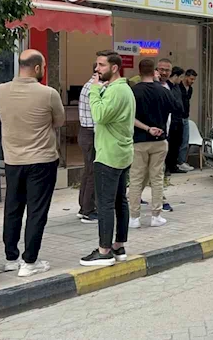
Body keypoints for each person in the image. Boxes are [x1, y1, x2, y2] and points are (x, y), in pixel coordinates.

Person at [0, 50, 64, 277]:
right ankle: (30, 261)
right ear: (37, 68)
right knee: (37, 211)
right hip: (42, 160)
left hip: (13, 160)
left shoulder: (0, 91)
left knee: (12, 208)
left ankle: (11, 258)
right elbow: (59, 122)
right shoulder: (48, 94)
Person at [81, 50, 135, 267]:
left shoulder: (116, 90)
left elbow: (99, 116)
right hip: (120, 152)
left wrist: (94, 90)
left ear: (114, 68)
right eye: (96, 64)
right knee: (120, 201)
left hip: (109, 155)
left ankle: (104, 251)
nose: (97, 69)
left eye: (101, 65)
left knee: (105, 204)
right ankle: (118, 246)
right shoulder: (123, 89)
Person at [128, 59, 170, 229]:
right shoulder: (163, 91)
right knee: (157, 178)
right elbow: (179, 109)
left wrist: (146, 128)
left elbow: (128, 117)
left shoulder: (132, 91)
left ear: (139, 72)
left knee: (136, 179)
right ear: (154, 72)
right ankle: (156, 216)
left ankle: (134, 218)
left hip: (138, 141)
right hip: (159, 141)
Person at [76, 66, 98, 224]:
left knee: (88, 170)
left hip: (86, 132)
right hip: (91, 133)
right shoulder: (94, 87)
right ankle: (88, 210)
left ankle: (83, 206)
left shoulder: (88, 84)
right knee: (93, 172)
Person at [165, 67, 186, 174]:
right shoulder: (167, 86)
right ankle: (167, 167)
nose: (182, 79)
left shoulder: (178, 86)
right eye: (181, 77)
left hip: (179, 118)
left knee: (177, 142)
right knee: (170, 143)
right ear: (175, 76)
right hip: (171, 118)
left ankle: (173, 165)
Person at [177, 69, 197, 172]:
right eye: (191, 79)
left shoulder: (190, 89)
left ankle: (182, 161)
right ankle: (176, 162)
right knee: (178, 141)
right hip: (178, 117)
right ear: (186, 77)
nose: (192, 81)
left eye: (194, 79)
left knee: (185, 140)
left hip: (185, 116)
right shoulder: (178, 87)